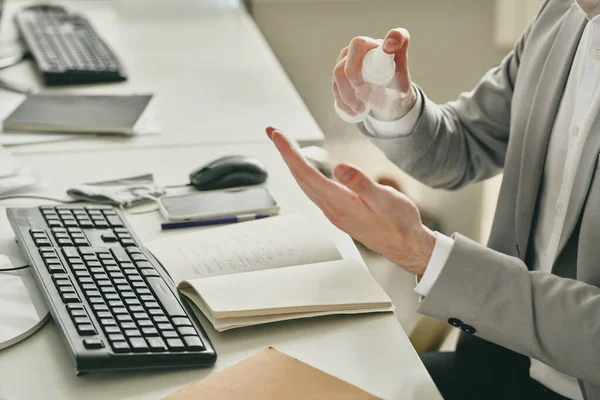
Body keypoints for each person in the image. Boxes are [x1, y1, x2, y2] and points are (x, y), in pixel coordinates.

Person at [265, 0, 600, 399]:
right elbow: (468, 143)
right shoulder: (563, 14)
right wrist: (394, 107)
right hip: (504, 359)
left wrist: (426, 255)